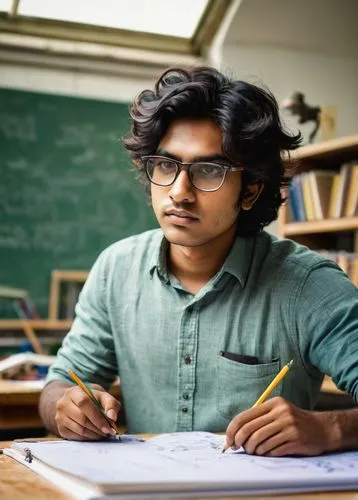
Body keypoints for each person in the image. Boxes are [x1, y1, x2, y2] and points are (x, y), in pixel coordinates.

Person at [39, 66, 358, 457]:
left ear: (249, 191)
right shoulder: (115, 270)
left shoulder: (309, 285)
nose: (180, 192)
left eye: (209, 170)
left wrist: (331, 428)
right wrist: (65, 408)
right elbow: (58, 385)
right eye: (166, 165)